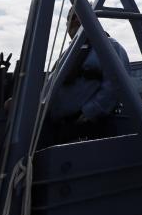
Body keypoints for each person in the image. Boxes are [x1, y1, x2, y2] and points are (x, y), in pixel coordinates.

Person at [48, 10, 130, 143]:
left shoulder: (109, 46)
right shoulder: (65, 55)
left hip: (90, 128)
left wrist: (90, 112)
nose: (74, 21)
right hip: (60, 128)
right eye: (70, 18)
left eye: (78, 16)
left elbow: (117, 83)